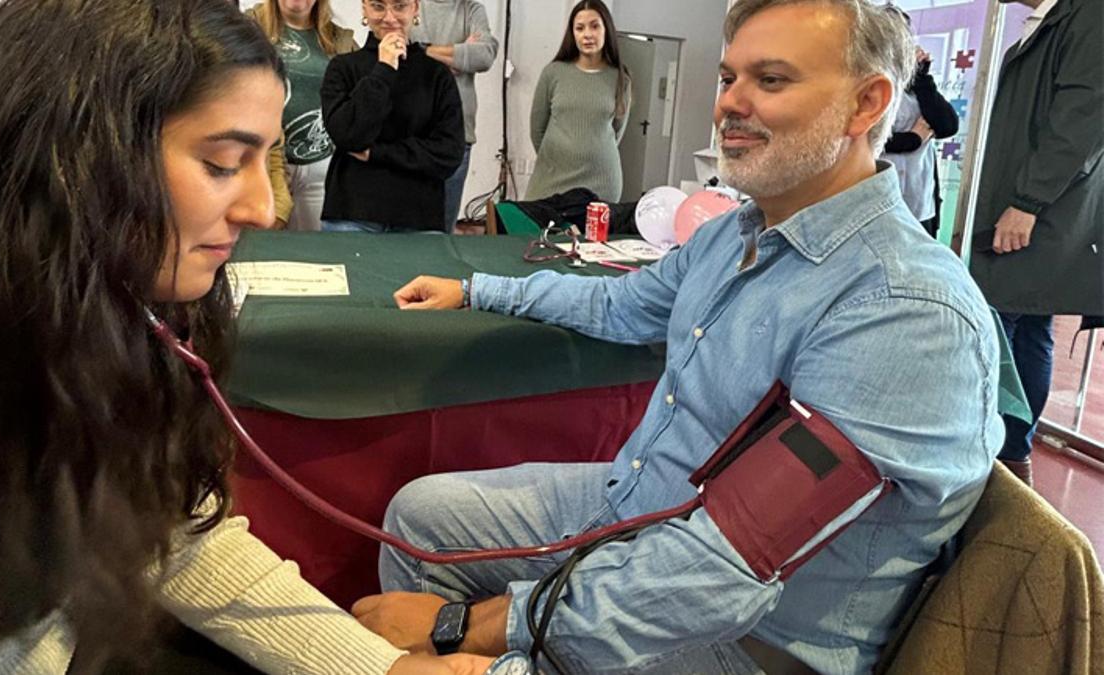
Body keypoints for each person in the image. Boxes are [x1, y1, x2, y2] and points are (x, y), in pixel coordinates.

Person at [354, 0, 1005, 673]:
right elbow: (617, 304)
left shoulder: (903, 310)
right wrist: (475, 289)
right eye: (728, 79)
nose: (730, 103)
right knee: (419, 518)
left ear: (866, 105)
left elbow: (718, 569)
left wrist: (471, 630)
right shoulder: (734, 234)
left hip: (745, 635)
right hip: (639, 512)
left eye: (771, 80)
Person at [0, 1, 494, 673]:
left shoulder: (96, 311)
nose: (262, 209)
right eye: (221, 163)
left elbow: (170, 528)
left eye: (262, 161)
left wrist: (378, 667)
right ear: (73, 160)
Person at [968, 0, 1104, 486]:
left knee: (999, 326)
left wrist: (1028, 201)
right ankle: (1009, 458)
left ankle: (998, 455)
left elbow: (1081, 120)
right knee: (1026, 328)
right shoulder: (1051, 19)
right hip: (1025, 205)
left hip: (1035, 211)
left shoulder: (1088, 14)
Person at [320, 0, 465, 233]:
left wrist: (377, 153)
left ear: (415, 8)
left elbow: (449, 153)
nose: (389, 17)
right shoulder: (342, 67)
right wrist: (385, 68)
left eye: (399, 6)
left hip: (419, 218)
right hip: (353, 214)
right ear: (364, 9)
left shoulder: (437, 75)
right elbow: (348, 136)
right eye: (378, 6)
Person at [249, 0, 359, 231]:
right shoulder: (249, 27)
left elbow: (359, 98)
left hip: (319, 166)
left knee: (312, 253)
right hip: (263, 163)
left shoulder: (338, 39)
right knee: (260, 251)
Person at [525, 0, 631, 203]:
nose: (587, 34)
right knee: (537, 233)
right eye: (579, 28)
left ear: (606, 29)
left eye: (594, 26)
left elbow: (616, 133)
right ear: (572, 34)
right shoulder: (553, 73)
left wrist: (590, 152)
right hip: (551, 178)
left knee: (593, 235)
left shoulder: (621, 79)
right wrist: (560, 158)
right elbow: (536, 129)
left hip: (602, 182)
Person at [412, 0, 499, 232]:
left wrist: (423, 50)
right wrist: (460, 53)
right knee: (404, 228)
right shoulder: (410, 5)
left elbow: (484, 55)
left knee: (443, 229)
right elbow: (401, 56)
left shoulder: (471, 9)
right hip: (410, 133)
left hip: (456, 134)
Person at [881, 8, 959, 237]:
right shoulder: (860, 82)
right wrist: (912, 139)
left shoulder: (916, 86)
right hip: (878, 204)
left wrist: (922, 77)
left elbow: (946, 126)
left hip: (919, 205)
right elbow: (856, 137)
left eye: (904, 35)